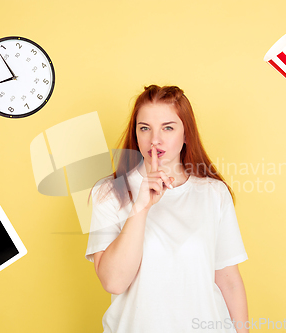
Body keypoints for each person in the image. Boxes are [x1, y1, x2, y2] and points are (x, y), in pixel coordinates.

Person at [85, 85, 249, 332]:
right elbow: (114, 282)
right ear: (136, 134)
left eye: (168, 127)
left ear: (186, 135)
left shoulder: (213, 193)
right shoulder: (109, 192)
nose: (155, 139)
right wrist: (140, 207)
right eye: (145, 128)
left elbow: (229, 280)